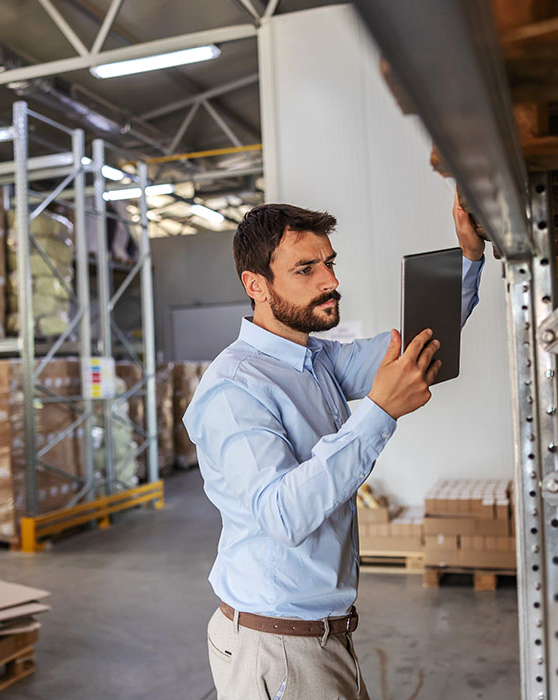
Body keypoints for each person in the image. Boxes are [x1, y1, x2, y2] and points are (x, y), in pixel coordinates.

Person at [183, 195, 485, 700]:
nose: (330, 281)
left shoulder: (314, 358)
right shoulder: (233, 389)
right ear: (255, 285)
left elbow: (416, 344)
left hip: (322, 636)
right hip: (278, 647)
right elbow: (282, 514)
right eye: (306, 269)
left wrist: (469, 258)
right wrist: (380, 411)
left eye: (329, 263)